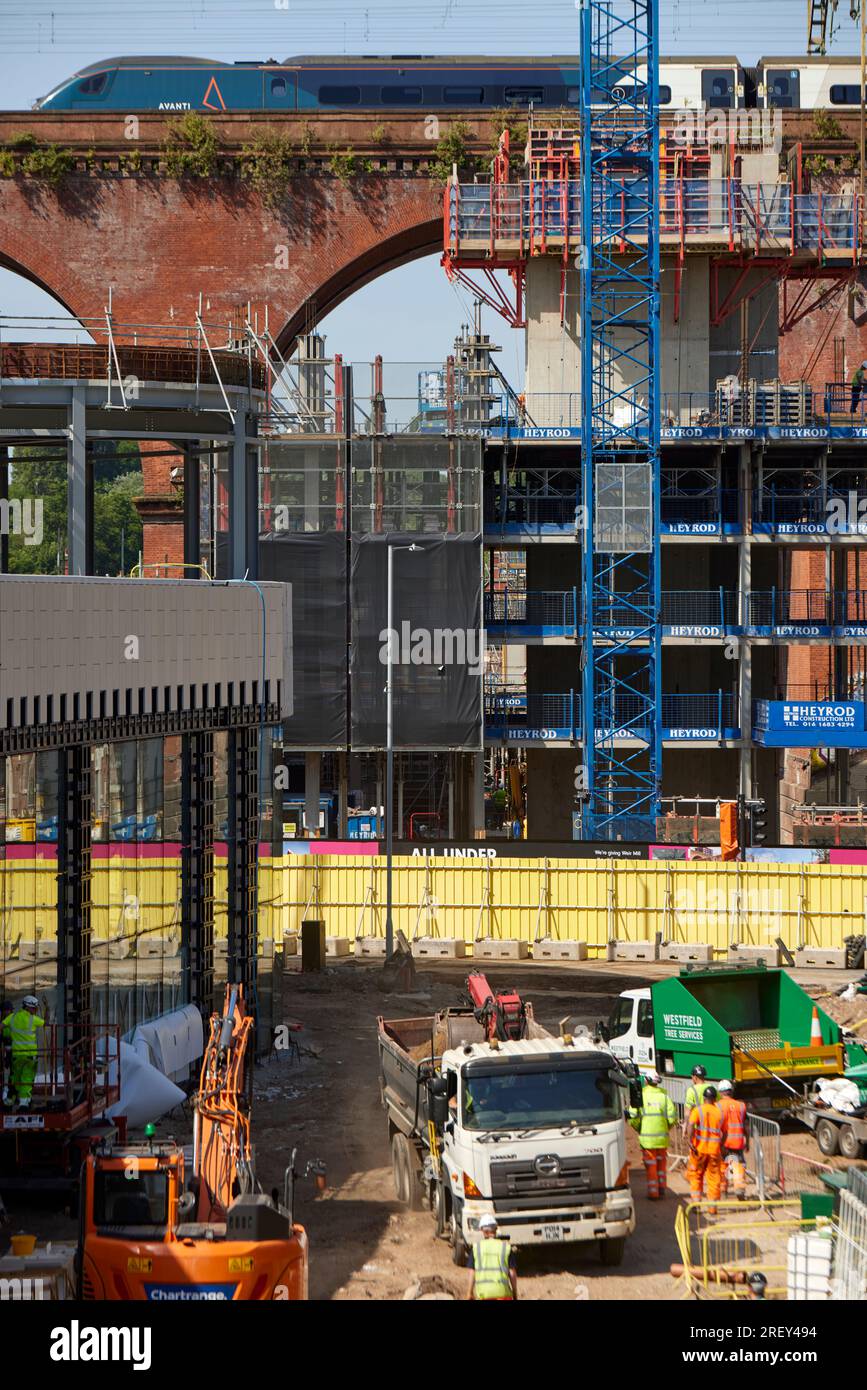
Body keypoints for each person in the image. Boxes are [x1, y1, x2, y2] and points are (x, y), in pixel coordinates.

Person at [629, 1069, 678, 1200]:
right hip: (662, 1139)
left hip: (647, 1140)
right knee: (661, 1165)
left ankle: (653, 1193)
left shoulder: (641, 1096)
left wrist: (640, 1128)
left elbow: (633, 1117)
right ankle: (662, 1188)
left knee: (651, 1166)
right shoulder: (664, 1096)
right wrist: (665, 1128)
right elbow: (672, 1118)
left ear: (646, 1081)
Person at [1, 995, 45, 1110]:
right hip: (30, 1057)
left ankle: (10, 1100)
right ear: (29, 1007)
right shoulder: (33, 1019)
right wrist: (47, 1010)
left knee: (16, 1078)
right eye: (34, 1009)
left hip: (16, 1056)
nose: (35, 1011)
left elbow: (2, 1026)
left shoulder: (12, 1017)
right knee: (26, 1079)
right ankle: (24, 1104)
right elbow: (45, 1022)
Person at [687, 1083, 723, 1214]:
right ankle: (712, 1208)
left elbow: (691, 1125)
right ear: (715, 1098)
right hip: (714, 1151)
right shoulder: (719, 1112)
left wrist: (690, 1141)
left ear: (704, 1098)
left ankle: (696, 1205)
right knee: (714, 1178)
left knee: (696, 1176)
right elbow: (724, 1132)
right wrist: (721, 1147)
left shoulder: (698, 1110)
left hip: (699, 1150)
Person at [466, 1214, 518, 1300]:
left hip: (483, 1294)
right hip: (503, 1294)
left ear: (483, 1230)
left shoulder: (476, 1248)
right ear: (496, 1229)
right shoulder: (506, 1247)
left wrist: (469, 1293)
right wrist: (515, 1293)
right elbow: (512, 1273)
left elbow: (472, 1273)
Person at [717, 1078, 749, 1199]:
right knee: (738, 1166)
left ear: (720, 1092)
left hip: (723, 1143)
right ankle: (740, 1190)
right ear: (731, 1091)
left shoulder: (717, 1106)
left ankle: (723, 1191)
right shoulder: (741, 1106)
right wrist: (748, 1141)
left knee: (722, 1166)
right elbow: (746, 1125)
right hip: (738, 1142)